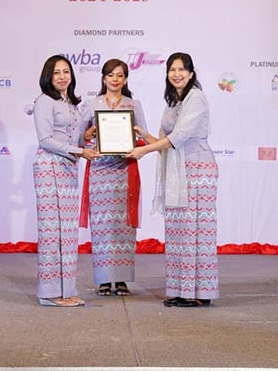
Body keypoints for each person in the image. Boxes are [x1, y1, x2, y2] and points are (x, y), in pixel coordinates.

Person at [126, 52, 219, 307]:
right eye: (172, 70)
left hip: (197, 170)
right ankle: (182, 289)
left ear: (191, 73)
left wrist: (144, 150)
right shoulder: (174, 101)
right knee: (179, 231)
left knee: (195, 231)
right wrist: (143, 135)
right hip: (178, 170)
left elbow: (179, 137)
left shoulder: (196, 97)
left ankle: (200, 293)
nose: (176, 74)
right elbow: (165, 141)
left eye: (181, 69)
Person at [32, 55, 100, 307]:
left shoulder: (71, 104)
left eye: (66, 72)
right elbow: (45, 140)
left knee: (67, 233)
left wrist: (87, 138)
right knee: (52, 231)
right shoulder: (44, 101)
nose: (62, 77)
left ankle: (66, 290)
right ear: (48, 77)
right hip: (49, 167)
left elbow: (75, 141)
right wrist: (81, 150)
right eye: (56, 72)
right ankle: (49, 293)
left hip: (69, 168)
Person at [80, 59, 148, 297]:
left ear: (126, 79)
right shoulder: (92, 104)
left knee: (123, 227)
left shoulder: (133, 105)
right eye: (110, 75)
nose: (115, 79)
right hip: (99, 171)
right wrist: (88, 134)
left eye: (120, 75)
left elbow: (144, 138)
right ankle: (103, 280)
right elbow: (80, 139)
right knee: (102, 228)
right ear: (103, 78)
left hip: (124, 170)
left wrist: (134, 141)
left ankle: (121, 280)